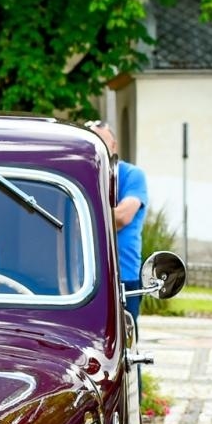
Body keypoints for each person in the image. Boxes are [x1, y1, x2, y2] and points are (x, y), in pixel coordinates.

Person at [87, 121, 149, 325]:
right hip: (85, 276)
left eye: (102, 142)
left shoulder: (132, 175)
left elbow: (123, 216)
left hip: (123, 273)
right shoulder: (83, 177)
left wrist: (83, 215)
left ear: (114, 146)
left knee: (125, 332)